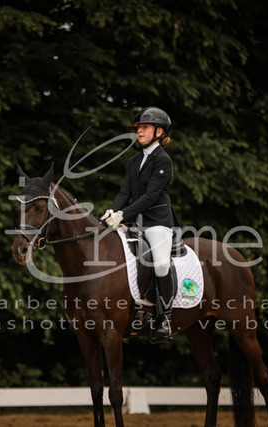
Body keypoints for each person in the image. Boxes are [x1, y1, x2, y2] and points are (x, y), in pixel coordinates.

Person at [101, 106, 176, 344]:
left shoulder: (163, 160)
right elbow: (125, 192)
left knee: (161, 263)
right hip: (135, 221)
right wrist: (112, 211)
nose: (139, 132)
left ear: (159, 132)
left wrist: (123, 214)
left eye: (144, 127)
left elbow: (151, 196)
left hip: (157, 222)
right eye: (138, 128)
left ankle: (164, 317)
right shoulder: (134, 161)